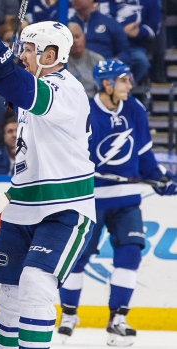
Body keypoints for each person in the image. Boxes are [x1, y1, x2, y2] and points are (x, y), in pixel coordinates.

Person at [0, 21, 96, 348]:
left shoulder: (65, 88)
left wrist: (0, 61)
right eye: (21, 48)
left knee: (36, 282)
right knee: (9, 296)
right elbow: (14, 89)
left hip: (64, 208)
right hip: (23, 210)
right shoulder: (34, 88)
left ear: (51, 54)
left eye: (27, 49)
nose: (22, 55)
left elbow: (24, 91)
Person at [57, 60, 177, 347]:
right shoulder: (84, 112)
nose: (130, 85)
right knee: (77, 258)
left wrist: (160, 179)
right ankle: (69, 315)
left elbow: (145, 153)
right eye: (124, 80)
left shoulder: (133, 109)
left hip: (126, 199)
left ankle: (117, 319)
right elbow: (69, 155)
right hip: (90, 200)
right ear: (107, 84)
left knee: (130, 253)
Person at [68, 0, 131, 67]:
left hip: (104, 70)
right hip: (74, 69)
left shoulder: (110, 23)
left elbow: (125, 53)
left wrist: (110, 64)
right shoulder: (66, 25)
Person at [67, 22, 104, 98]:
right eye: (71, 38)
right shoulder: (60, 62)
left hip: (93, 104)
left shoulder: (97, 60)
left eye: (77, 37)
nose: (75, 41)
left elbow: (105, 91)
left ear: (83, 37)